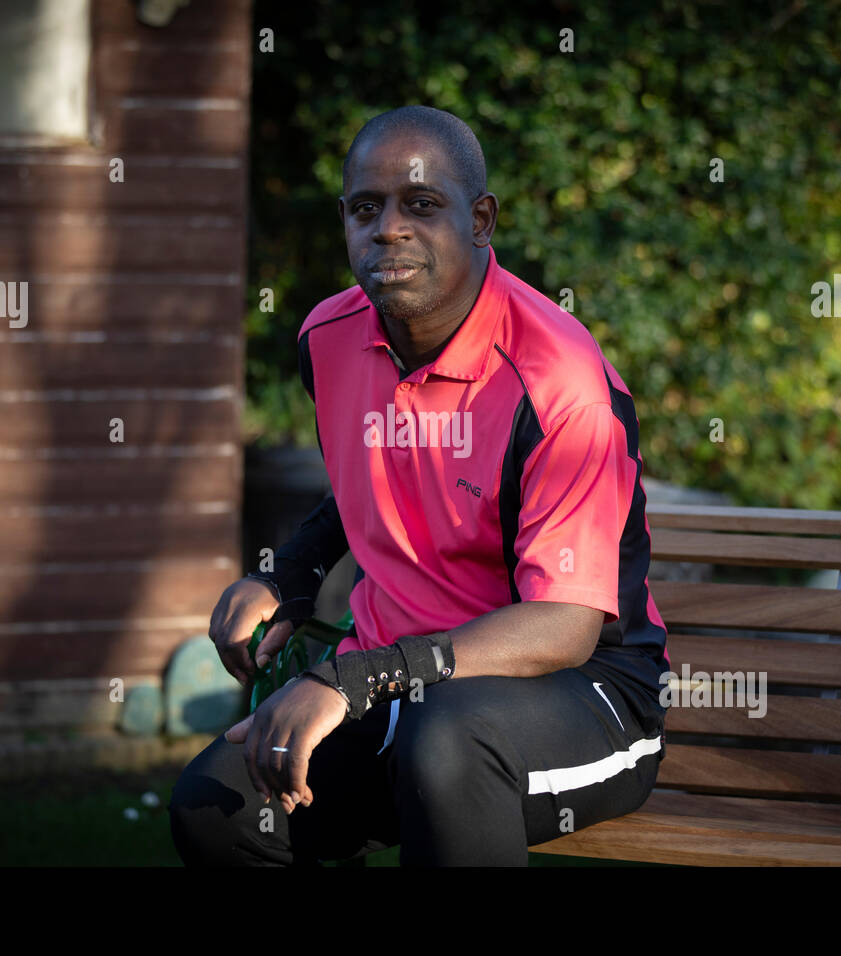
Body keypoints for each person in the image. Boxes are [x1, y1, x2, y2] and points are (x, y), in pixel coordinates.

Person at [169, 105, 670, 866]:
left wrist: (354, 679)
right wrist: (292, 575)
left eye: (421, 205)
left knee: (446, 748)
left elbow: (565, 625)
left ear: (481, 219)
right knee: (219, 805)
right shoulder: (329, 338)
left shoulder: (559, 382)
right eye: (366, 208)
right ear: (344, 221)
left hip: (583, 693)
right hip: (398, 684)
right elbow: (378, 478)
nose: (390, 228)